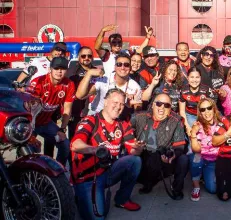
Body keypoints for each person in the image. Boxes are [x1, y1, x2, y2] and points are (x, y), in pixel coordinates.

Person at [71, 89, 144, 219]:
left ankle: (122, 199)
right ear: (105, 102)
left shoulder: (122, 124)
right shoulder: (90, 120)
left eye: (122, 104)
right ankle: (80, 196)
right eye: (115, 102)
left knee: (135, 161)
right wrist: (95, 150)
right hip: (88, 177)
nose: (118, 107)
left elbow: (132, 150)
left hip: (108, 171)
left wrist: (138, 148)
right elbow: (75, 145)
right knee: (99, 217)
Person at [133, 94, 188, 199]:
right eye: (158, 104)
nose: (162, 108)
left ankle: (177, 189)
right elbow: (125, 128)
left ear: (170, 108)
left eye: (166, 105)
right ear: (153, 105)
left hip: (165, 160)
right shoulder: (140, 117)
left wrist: (173, 155)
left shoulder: (176, 121)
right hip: (145, 159)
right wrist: (132, 140)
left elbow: (180, 146)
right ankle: (147, 183)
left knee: (183, 159)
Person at [27, 57, 74, 166]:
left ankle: (57, 171)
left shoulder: (69, 84)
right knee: (28, 150)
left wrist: (62, 129)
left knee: (65, 144)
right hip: (31, 123)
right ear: (50, 69)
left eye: (62, 68)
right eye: (56, 68)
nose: (59, 71)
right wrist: (30, 135)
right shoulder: (38, 82)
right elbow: (30, 110)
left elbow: (67, 109)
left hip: (46, 122)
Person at [76, 53, 142, 120]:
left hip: (117, 118)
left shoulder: (135, 87)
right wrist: (89, 74)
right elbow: (79, 95)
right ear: (114, 67)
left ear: (130, 68)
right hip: (96, 114)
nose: (122, 67)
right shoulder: (104, 79)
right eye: (119, 64)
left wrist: (130, 105)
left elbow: (138, 108)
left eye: (126, 65)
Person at [188, 98, 223, 201]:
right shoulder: (198, 125)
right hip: (201, 156)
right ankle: (196, 186)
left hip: (213, 160)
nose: (206, 112)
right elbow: (196, 149)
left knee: (213, 189)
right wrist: (193, 133)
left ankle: (203, 175)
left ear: (214, 109)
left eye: (209, 108)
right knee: (196, 159)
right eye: (203, 109)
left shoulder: (221, 122)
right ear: (200, 112)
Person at [68, 47, 96, 141]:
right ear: (79, 57)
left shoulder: (97, 71)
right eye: (83, 56)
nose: (86, 58)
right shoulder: (72, 71)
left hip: (93, 112)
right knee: (75, 140)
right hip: (76, 113)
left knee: (91, 140)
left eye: (89, 56)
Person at [179, 67, 215, 135]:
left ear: (200, 78)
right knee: (192, 134)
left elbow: (212, 108)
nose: (194, 80)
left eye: (197, 77)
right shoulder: (183, 91)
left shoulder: (206, 90)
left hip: (204, 113)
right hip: (190, 115)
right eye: (192, 77)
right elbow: (182, 111)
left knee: (208, 133)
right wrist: (187, 127)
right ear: (188, 78)